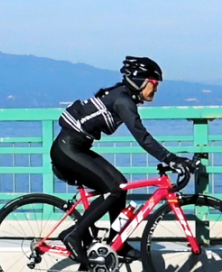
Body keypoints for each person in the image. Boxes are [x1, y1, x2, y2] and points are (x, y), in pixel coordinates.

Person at [52, 56, 191, 269]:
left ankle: (118, 243)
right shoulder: (123, 100)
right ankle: (74, 235)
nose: (155, 90)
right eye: (154, 84)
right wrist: (170, 158)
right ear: (140, 81)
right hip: (67, 149)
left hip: (76, 147)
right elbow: (142, 137)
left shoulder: (123, 97)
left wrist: (169, 158)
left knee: (120, 184)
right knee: (113, 189)